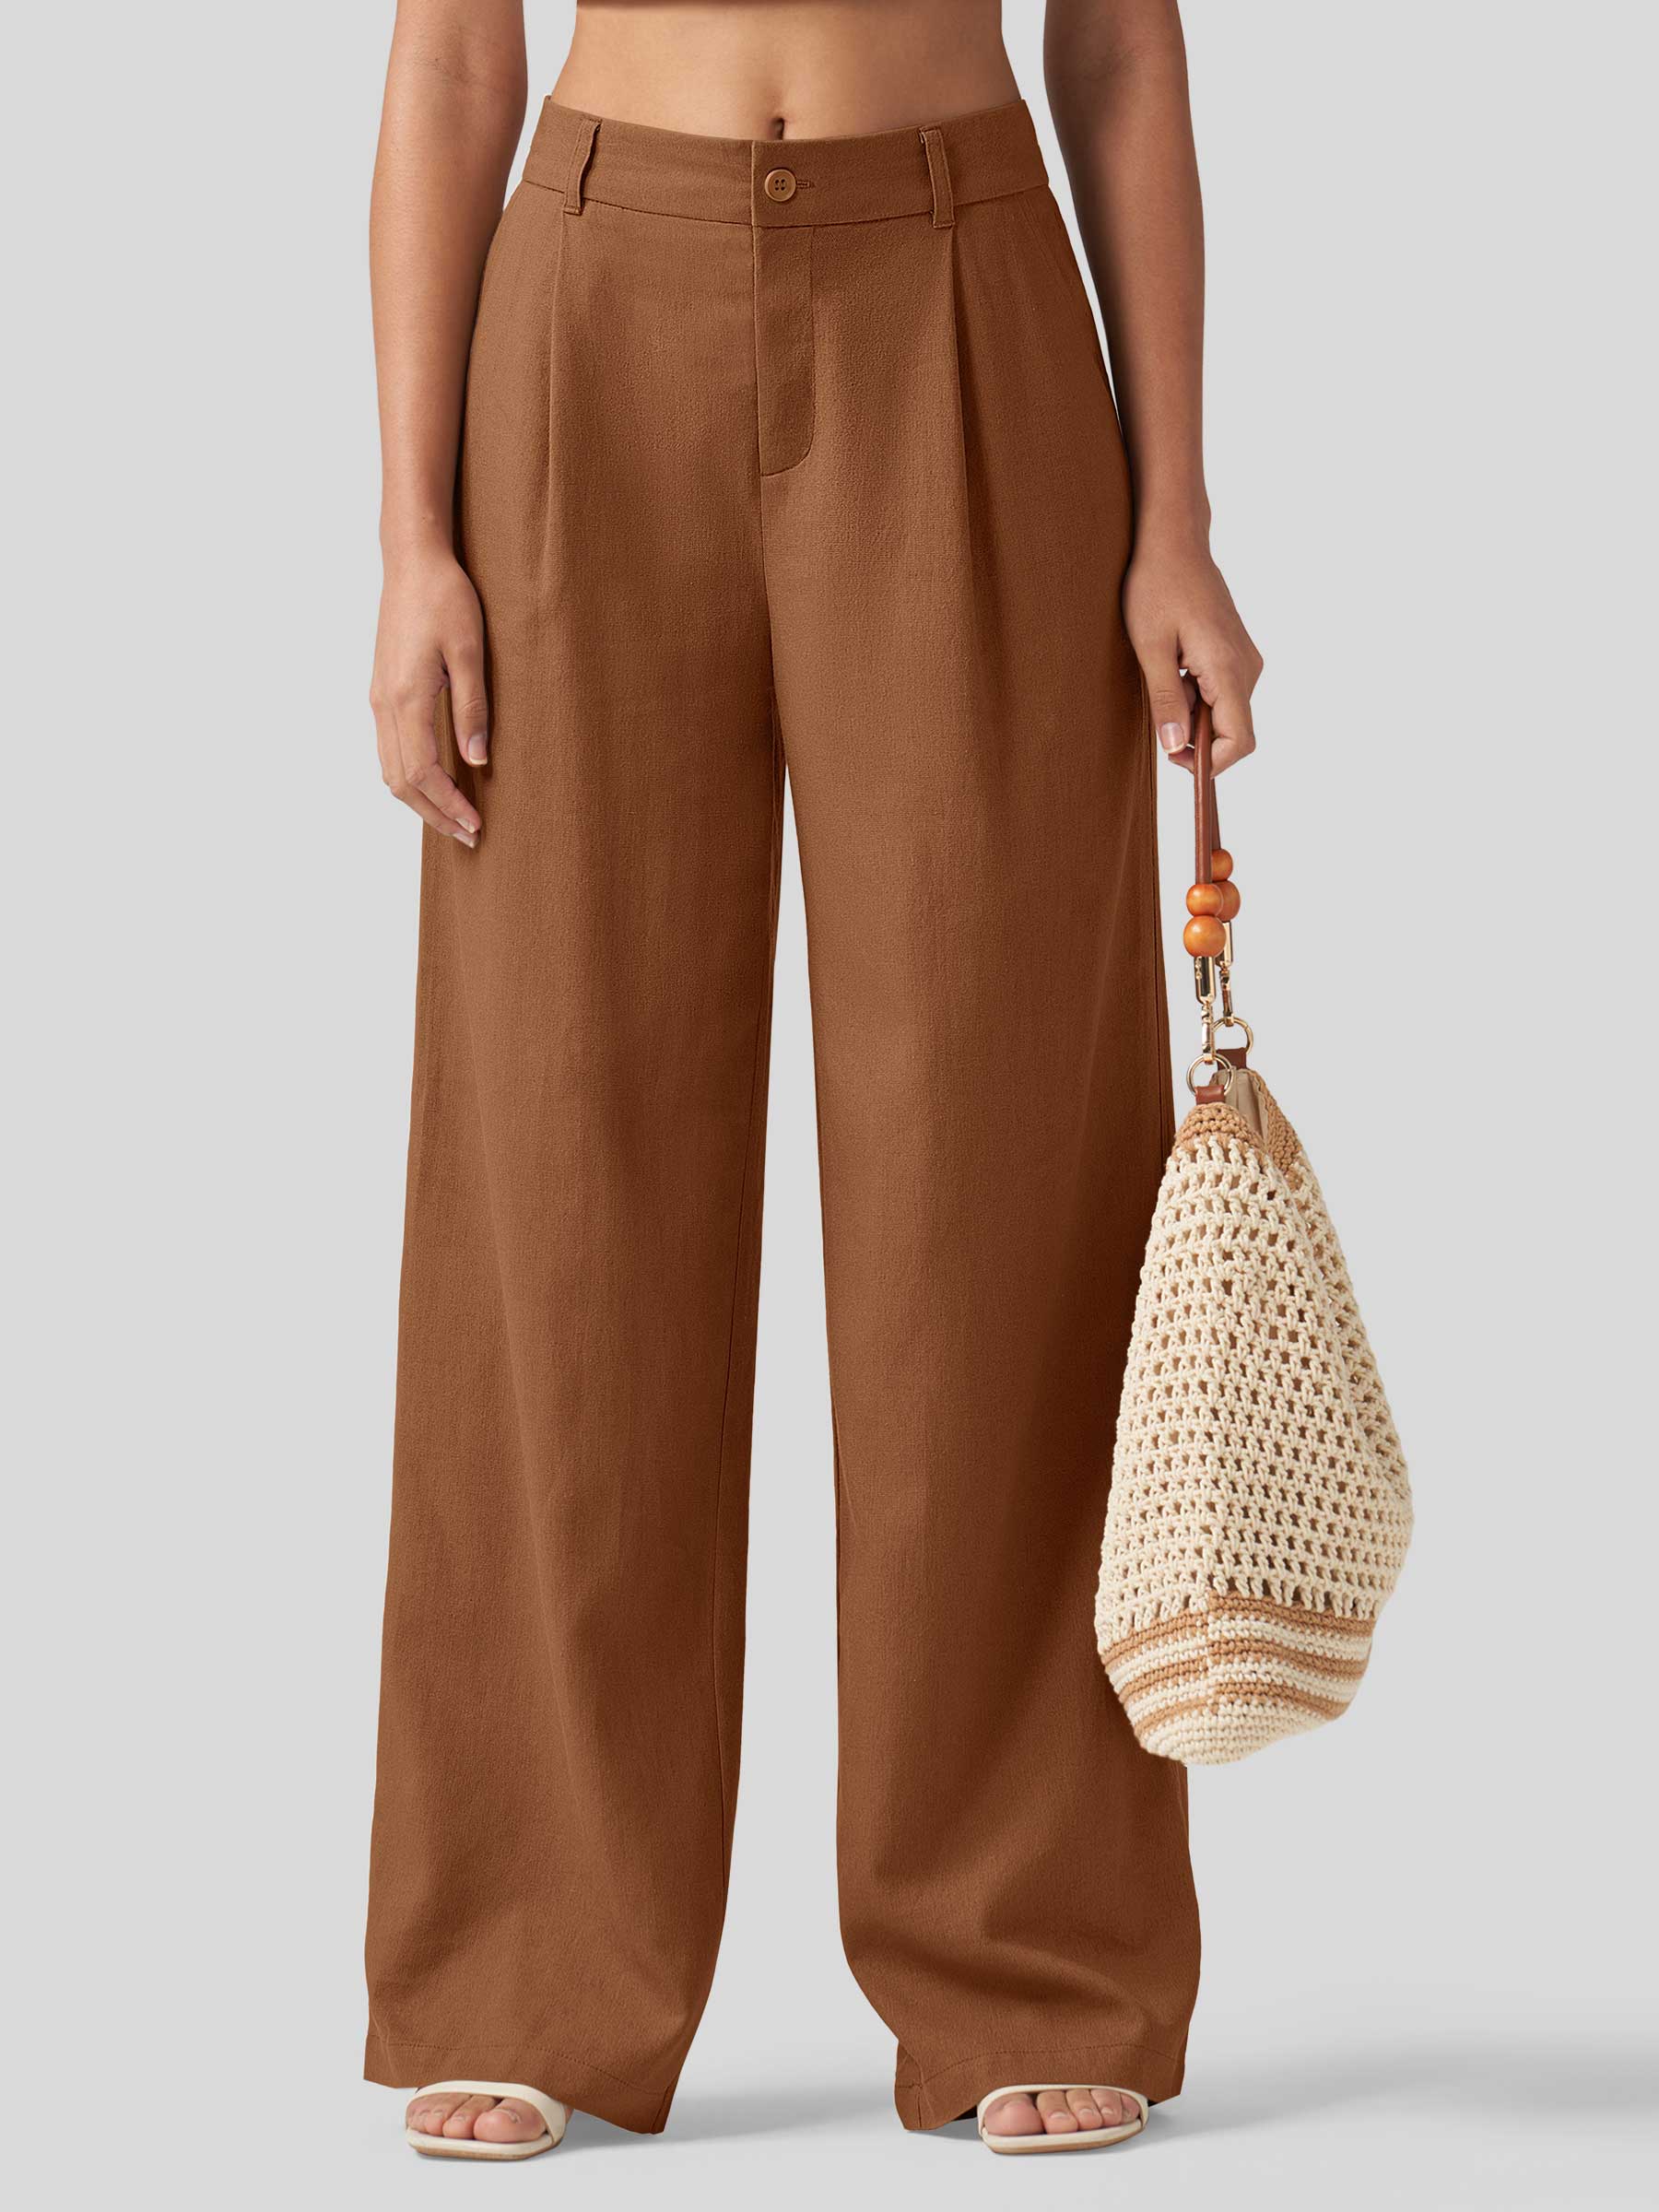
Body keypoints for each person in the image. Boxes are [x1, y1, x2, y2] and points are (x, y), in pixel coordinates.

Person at [365, 0, 1260, 2160]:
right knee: (559, 1173)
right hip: (589, 308)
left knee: (993, 1175)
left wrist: (1174, 515)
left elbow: (1121, 51)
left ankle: (1029, 1949)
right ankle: (527, 1961)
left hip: (963, 294)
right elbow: (452, 60)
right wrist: (410, 541)